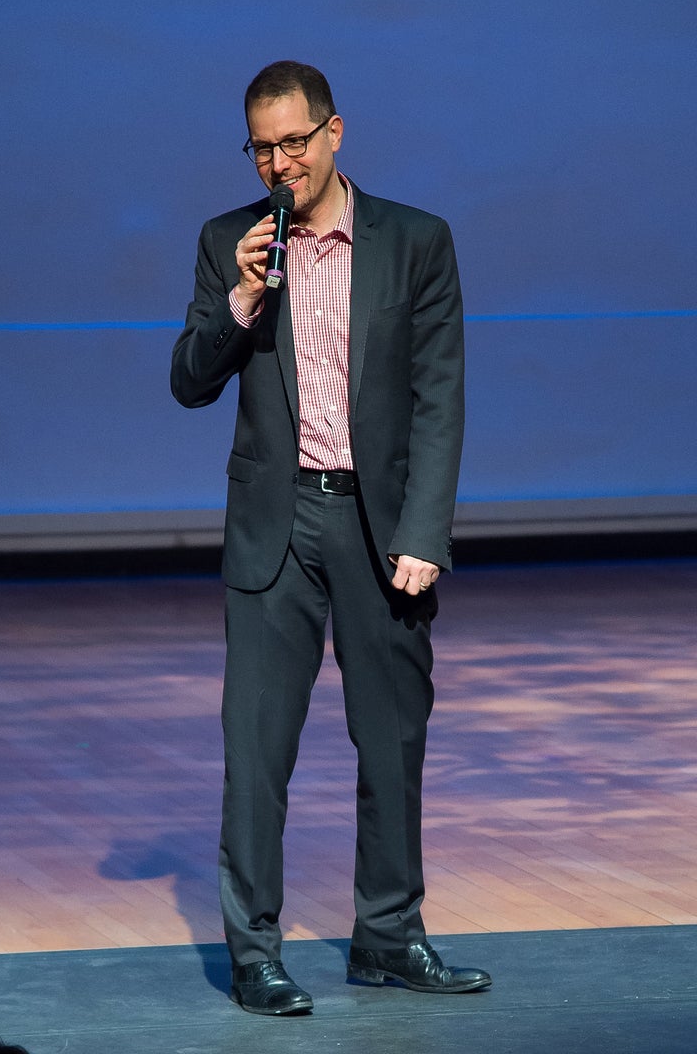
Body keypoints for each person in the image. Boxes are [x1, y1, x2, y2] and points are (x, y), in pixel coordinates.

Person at [171, 60, 491, 1016]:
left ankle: (389, 938)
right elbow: (188, 379)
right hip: (275, 524)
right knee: (256, 747)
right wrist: (238, 302)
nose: (280, 163)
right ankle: (256, 952)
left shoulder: (414, 242)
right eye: (262, 147)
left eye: (294, 143)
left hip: (377, 520)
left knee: (391, 739)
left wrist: (426, 530)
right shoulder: (230, 241)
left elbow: (440, 400)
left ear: (334, 133)